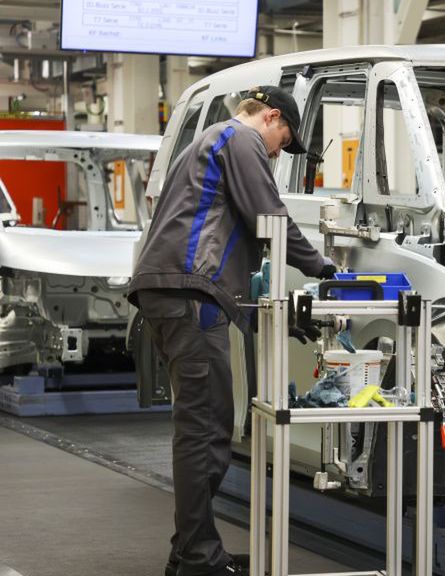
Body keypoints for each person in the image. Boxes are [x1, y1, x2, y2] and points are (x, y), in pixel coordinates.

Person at [128, 86, 337, 576]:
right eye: (284, 139)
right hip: (190, 295)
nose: (280, 150)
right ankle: (199, 558)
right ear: (269, 117)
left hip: (175, 294)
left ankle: (190, 551)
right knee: (206, 430)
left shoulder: (206, 142)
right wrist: (324, 269)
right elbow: (271, 218)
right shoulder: (240, 140)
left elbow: (224, 227)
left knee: (202, 425)